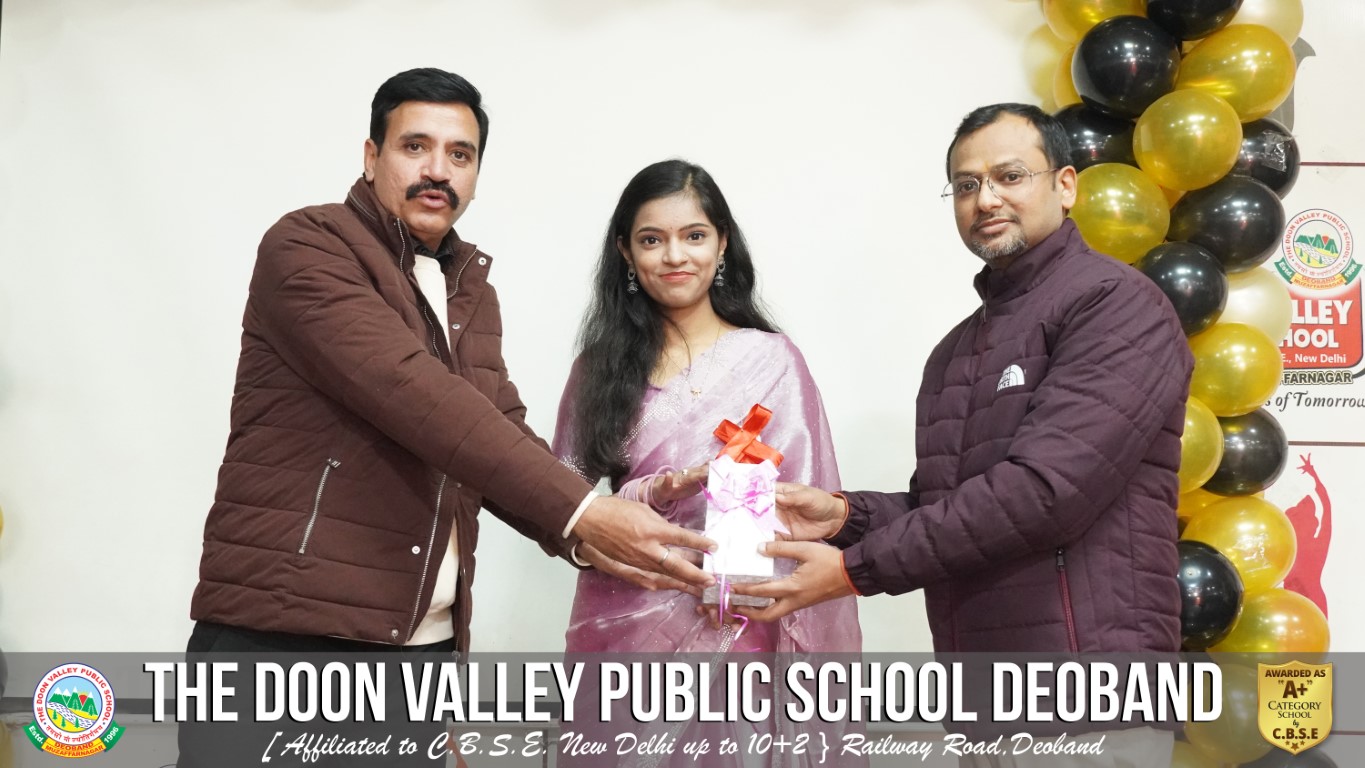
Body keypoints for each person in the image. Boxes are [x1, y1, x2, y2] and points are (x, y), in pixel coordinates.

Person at [179, 69, 714, 766]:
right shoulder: (309, 244)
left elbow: (497, 427)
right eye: (416, 147)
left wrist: (593, 537)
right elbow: (415, 396)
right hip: (287, 645)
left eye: (460, 154)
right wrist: (585, 512)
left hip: (419, 654)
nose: (438, 170)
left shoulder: (468, 289)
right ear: (371, 156)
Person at [733, 104, 1194, 767]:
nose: (986, 199)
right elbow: (945, 506)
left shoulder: (1115, 304)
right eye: (966, 184)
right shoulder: (953, 352)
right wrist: (842, 516)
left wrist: (853, 572)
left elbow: (1042, 493)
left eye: (1010, 176)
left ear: (1065, 185)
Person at [552, 159, 863, 766]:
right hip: (627, 622)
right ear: (625, 252)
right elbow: (562, 504)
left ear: (722, 244)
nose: (675, 256)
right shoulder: (598, 370)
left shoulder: (773, 361)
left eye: (693, 235)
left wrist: (737, 560)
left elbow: (810, 513)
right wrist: (650, 494)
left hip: (743, 624)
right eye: (652, 240)